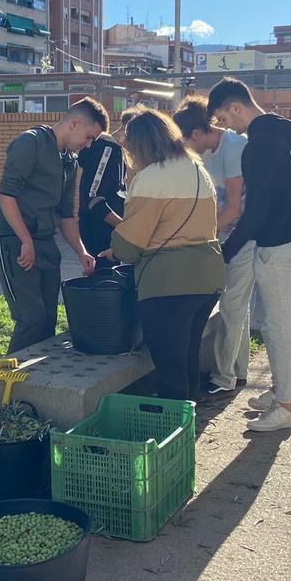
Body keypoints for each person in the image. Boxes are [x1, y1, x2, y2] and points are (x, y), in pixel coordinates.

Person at [207, 77, 291, 433]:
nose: (227, 127)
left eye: (224, 119)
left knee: (278, 328)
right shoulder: (286, 132)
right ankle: (279, 391)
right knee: (274, 325)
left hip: (278, 244)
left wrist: (225, 252)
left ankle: (285, 407)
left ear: (236, 107)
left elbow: (255, 212)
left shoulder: (258, 144)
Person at [102, 109, 226, 402]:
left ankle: (173, 425)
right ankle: (189, 418)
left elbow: (131, 244)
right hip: (207, 277)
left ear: (139, 145)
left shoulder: (150, 177)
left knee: (170, 369)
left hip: (169, 283)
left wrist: (115, 248)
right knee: (187, 358)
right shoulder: (197, 169)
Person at [0, 98, 106, 353]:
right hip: (13, 239)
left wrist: (82, 252)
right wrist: (25, 240)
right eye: (88, 137)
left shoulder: (70, 161)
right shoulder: (30, 142)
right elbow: (6, 195)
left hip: (44, 241)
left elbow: (65, 215)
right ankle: (5, 377)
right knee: (31, 318)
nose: (88, 145)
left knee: (48, 320)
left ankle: (36, 376)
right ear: (75, 123)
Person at [173, 97, 251, 401]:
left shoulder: (234, 147)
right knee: (237, 305)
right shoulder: (206, 152)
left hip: (244, 236)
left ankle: (224, 377)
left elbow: (233, 208)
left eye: (185, 142)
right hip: (223, 234)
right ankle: (238, 371)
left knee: (231, 305)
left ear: (195, 133)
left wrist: (200, 236)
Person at [76, 109, 138, 271]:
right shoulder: (107, 150)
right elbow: (93, 197)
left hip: (107, 231)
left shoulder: (117, 151)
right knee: (102, 280)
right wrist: (123, 227)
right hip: (98, 232)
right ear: (128, 129)